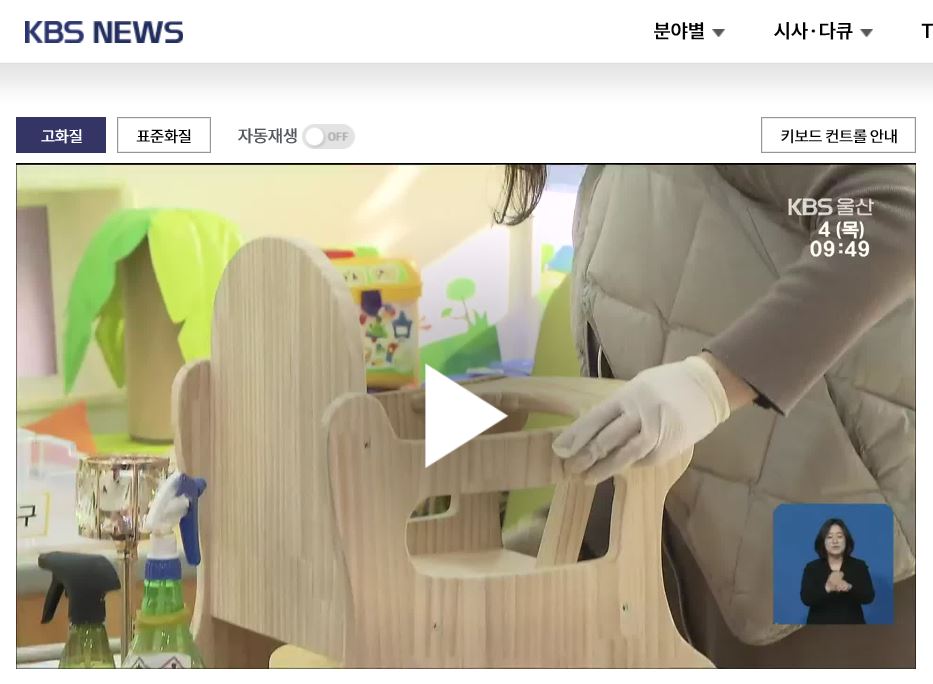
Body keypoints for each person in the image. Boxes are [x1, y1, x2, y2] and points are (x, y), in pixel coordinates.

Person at [496, 164, 915, 667]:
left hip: (840, 531)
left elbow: (893, 215)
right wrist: (531, 558)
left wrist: (712, 383)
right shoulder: (611, 182)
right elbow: (648, 425)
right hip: (728, 575)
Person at [799, 518, 874, 624]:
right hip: (819, 629)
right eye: (829, 537)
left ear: (846, 540)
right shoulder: (812, 568)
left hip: (853, 627)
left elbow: (869, 597)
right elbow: (806, 599)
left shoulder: (859, 566)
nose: (835, 541)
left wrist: (849, 587)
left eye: (839, 536)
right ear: (823, 541)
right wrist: (827, 587)